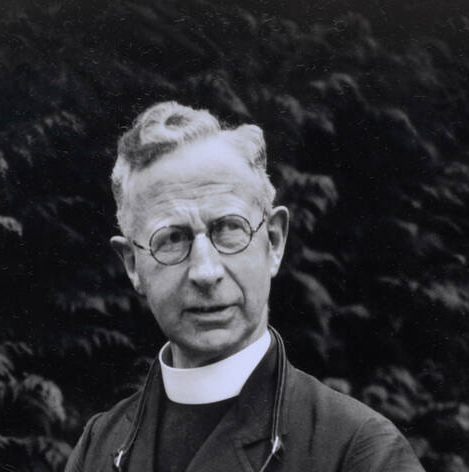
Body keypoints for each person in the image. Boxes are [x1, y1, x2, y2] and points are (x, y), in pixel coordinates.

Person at [65, 102, 425, 472]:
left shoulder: (358, 449)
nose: (205, 272)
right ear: (132, 264)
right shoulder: (98, 448)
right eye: (172, 238)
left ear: (273, 241)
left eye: (228, 229)